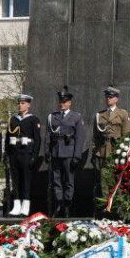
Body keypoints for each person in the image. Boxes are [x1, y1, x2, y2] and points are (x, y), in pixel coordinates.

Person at [92, 86, 130, 213]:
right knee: (104, 180)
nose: (108, 99)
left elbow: (127, 135)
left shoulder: (123, 114)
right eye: (107, 97)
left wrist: (124, 152)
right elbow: (96, 136)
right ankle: (106, 207)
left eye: (111, 97)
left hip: (117, 151)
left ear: (116, 99)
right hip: (104, 150)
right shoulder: (100, 115)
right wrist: (95, 152)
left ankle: (118, 207)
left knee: (118, 179)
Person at [47, 89, 86, 217]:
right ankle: (59, 204)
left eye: (64, 102)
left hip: (69, 153)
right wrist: (47, 151)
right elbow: (48, 135)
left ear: (69, 103)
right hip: (56, 153)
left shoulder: (76, 117)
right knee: (56, 180)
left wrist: (77, 155)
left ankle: (67, 205)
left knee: (69, 181)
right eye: (60, 101)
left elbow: (80, 137)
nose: (62, 104)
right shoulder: (53, 116)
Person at [6, 94, 42, 216]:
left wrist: (34, 156)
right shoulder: (13, 119)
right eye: (19, 103)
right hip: (14, 153)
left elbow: (37, 139)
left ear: (28, 105)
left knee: (26, 180)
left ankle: (25, 206)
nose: (20, 105)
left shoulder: (33, 119)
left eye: (22, 103)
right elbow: (7, 138)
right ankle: (16, 205)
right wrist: (7, 154)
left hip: (26, 153)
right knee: (15, 181)